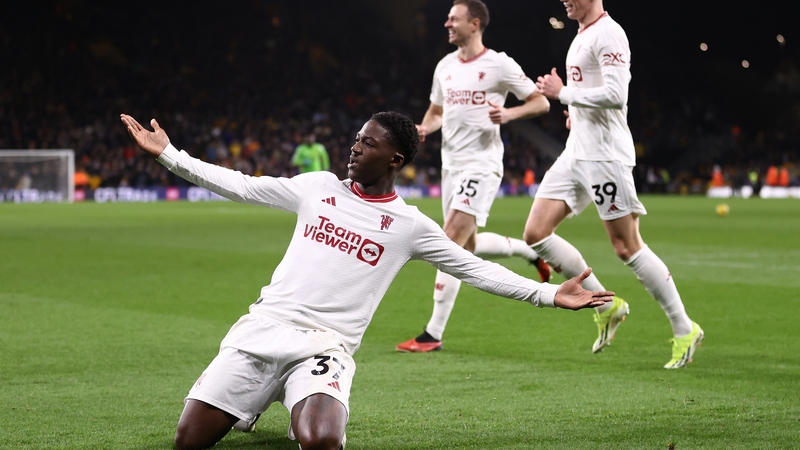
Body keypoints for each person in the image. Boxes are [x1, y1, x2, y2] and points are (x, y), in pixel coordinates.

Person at [120, 111, 614, 450]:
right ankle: (255, 399)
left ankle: (286, 397)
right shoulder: (316, 189)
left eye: (368, 143)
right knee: (188, 440)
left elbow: (472, 266)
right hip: (263, 329)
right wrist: (170, 155)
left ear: (395, 160)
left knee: (322, 442)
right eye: (356, 139)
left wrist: (548, 293)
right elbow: (242, 185)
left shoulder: (410, 226)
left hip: (324, 348)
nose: (354, 148)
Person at [523, 0, 703, 369]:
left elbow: (617, 95)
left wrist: (564, 94)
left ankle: (685, 328)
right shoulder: (581, 34)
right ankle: (606, 305)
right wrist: (574, 113)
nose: (564, 1)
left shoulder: (609, 33)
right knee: (536, 233)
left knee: (626, 246)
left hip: (604, 157)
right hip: (576, 152)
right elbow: (594, 96)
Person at [396, 0, 553, 353]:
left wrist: (509, 115)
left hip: (481, 165)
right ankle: (526, 250)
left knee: (448, 240)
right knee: (467, 246)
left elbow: (540, 102)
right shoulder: (445, 66)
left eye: (454, 18)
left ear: (475, 23)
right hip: (451, 164)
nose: (447, 23)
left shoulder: (498, 64)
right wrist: (425, 127)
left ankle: (432, 334)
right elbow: (437, 111)